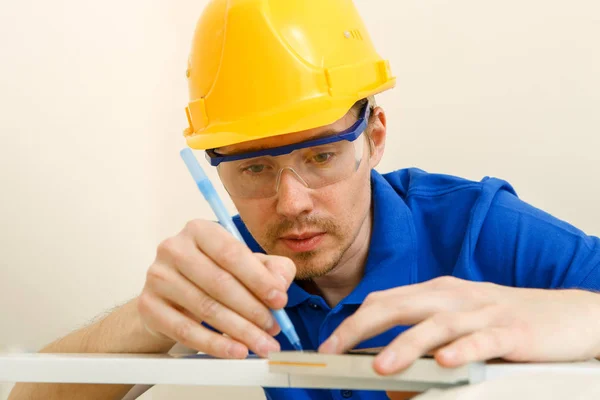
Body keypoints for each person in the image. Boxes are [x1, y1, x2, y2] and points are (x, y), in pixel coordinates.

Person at [9, 0, 600, 399]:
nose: (290, 202)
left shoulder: (477, 227)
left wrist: (580, 317)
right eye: (254, 167)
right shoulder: (228, 277)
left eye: (321, 155)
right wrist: (146, 320)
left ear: (375, 137)